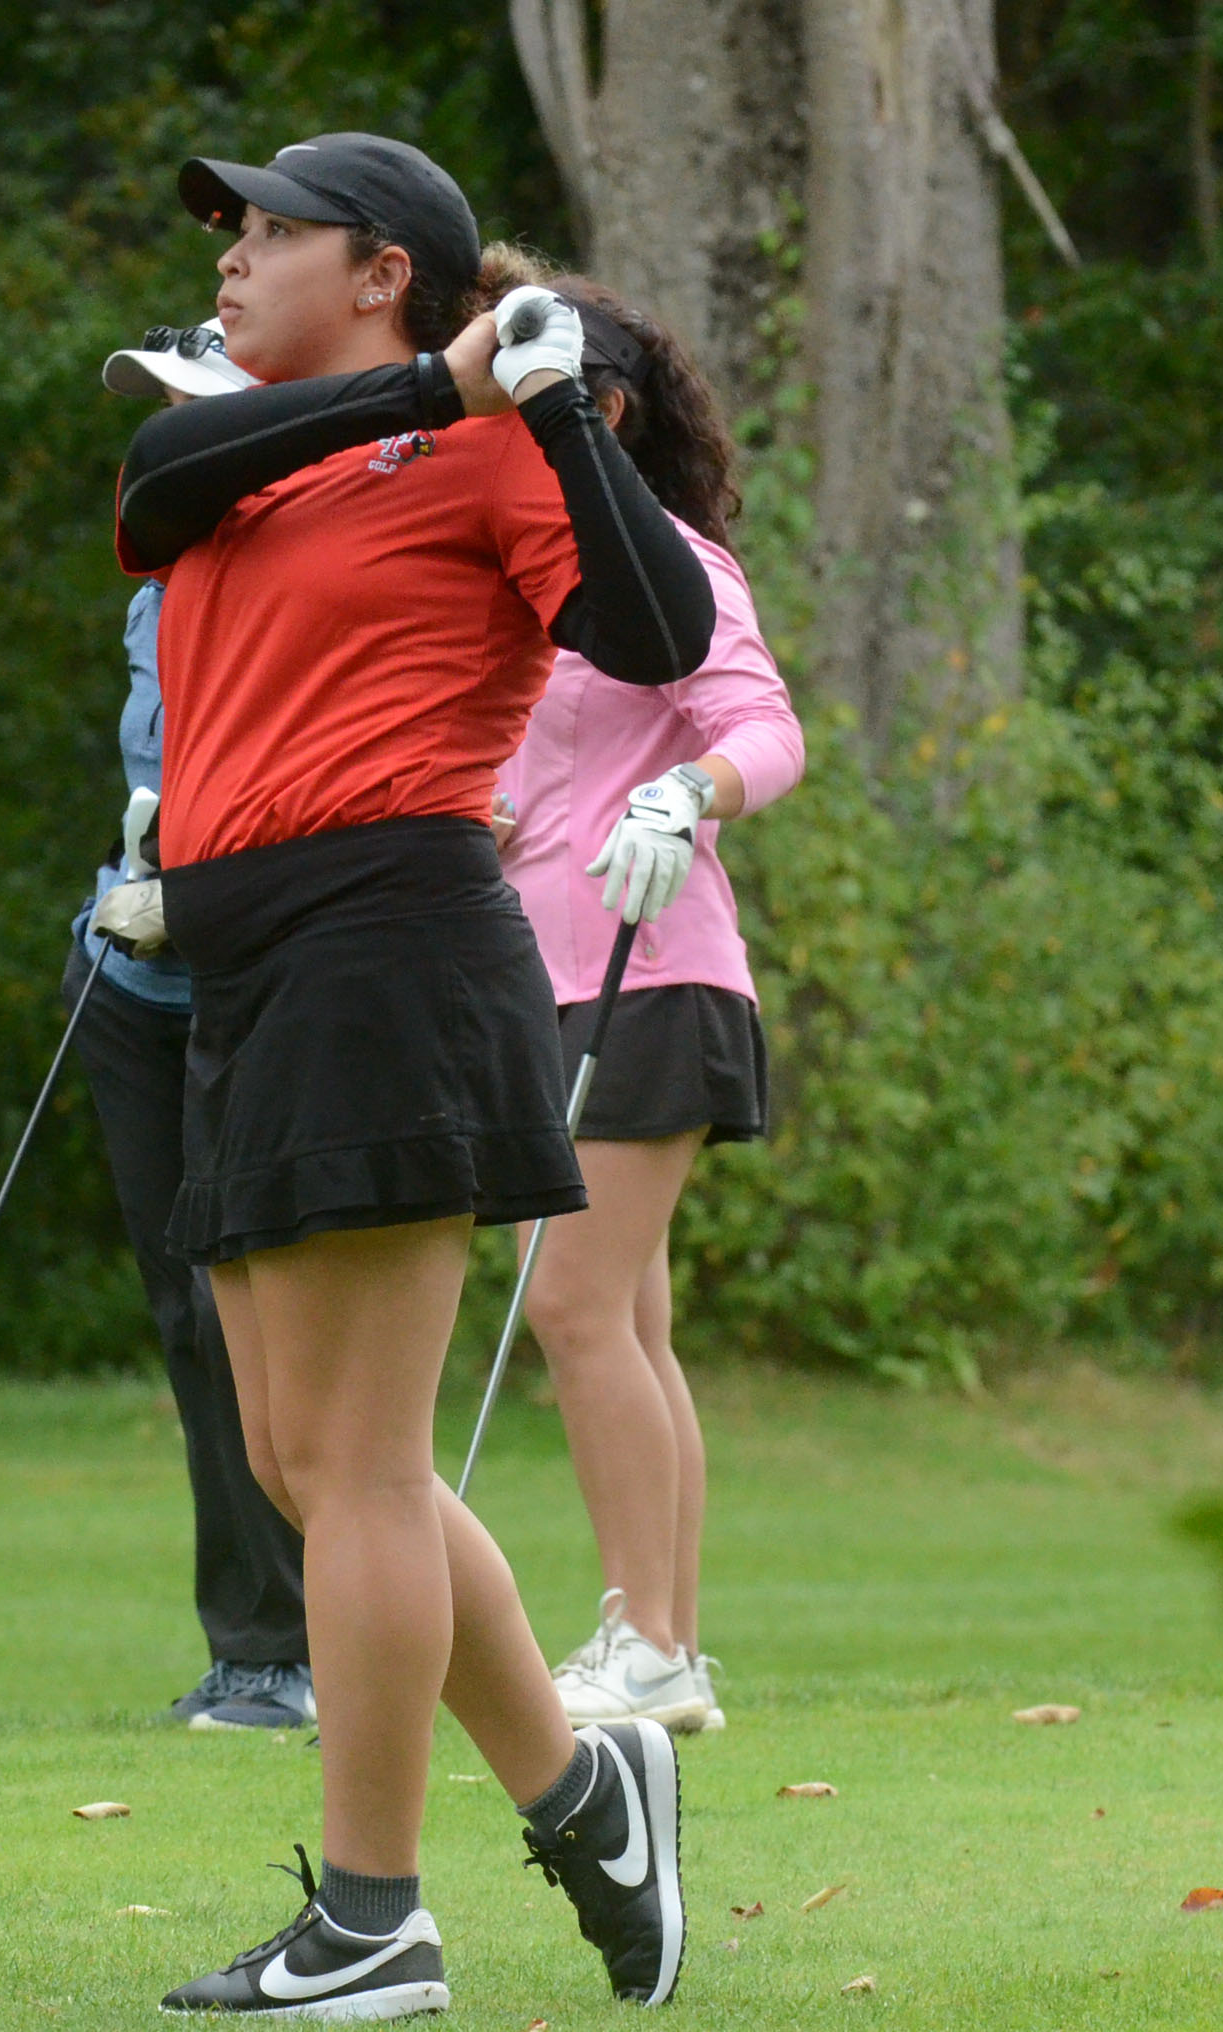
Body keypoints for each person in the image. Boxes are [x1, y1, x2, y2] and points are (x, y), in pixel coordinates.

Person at [113, 133, 716, 2019]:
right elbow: (148, 485)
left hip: (392, 934)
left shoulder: (486, 454)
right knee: (301, 1464)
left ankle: (373, 1919)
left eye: (265, 233)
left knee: (358, 1466)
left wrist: (547, 421)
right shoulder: (245, 449)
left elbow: (662, 633)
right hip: (250, 963)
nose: (227, 262)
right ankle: (580, 1788)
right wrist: (430, 380)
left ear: (378, 265)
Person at [490, 275, 805, 1739]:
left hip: (651, 963)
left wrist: (689, 791)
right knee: (631, 1321)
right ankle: (665, 1645)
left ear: (595, 412)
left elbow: (761, 728)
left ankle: (646, 1643)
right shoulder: (537, 569)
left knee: (570, 1304)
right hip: (546, 972)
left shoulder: (672, 560)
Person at [66, 318, 315, 1735]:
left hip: (261, 972)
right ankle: (255, 1652)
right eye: (150, 413)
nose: (159, 440)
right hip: (130, 971)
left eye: (187, 409)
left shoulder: (299, 565)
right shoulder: (155, 581)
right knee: (187, 1320)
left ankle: (307, 1648)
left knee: (269, 1334)